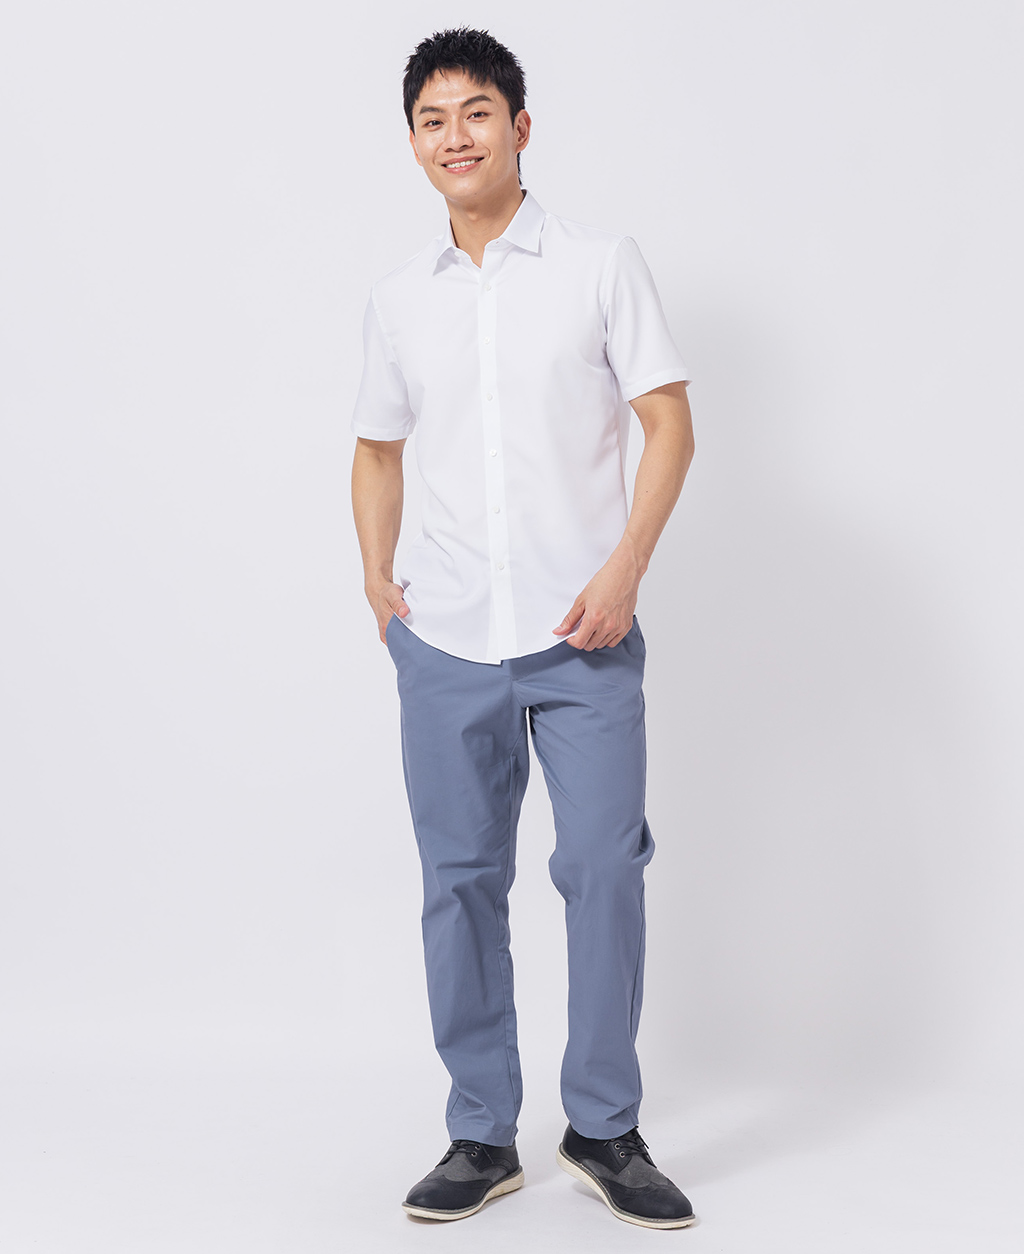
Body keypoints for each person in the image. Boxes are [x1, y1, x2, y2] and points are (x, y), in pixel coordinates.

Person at [350, 26, 696, 1231]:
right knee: (458, 883)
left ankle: (603, 1126)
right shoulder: (399, 298)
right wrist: (375, 579)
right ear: (414, 143)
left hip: (582, 636)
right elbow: (376, 448)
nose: (456, 136)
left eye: (477, 113)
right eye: (433, 120)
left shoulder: (599, 266)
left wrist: (625, 568)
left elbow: (668, 421)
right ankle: (478, 1132)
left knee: (601, 870)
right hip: (445, 639)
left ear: (520, 127)